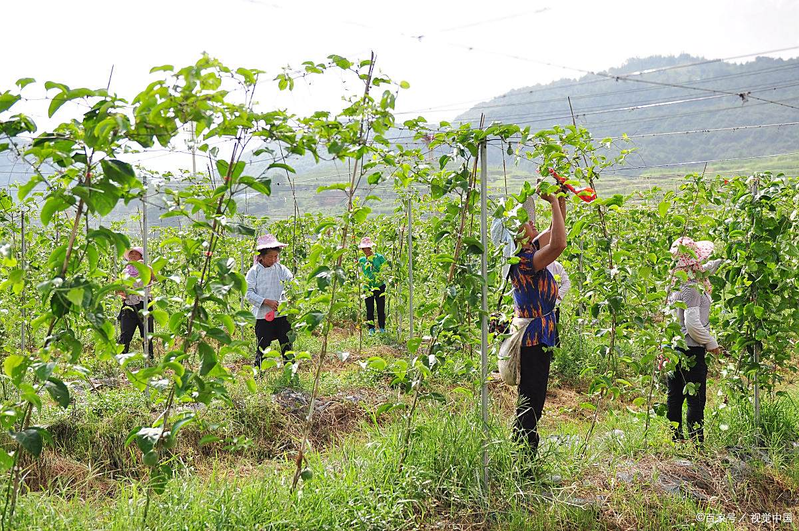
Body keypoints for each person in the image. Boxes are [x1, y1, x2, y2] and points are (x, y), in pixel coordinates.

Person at [509, 191, 567, 456]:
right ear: (517, 232)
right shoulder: (524, 262)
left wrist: (560, 198)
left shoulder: (530, 250)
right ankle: (523, 458)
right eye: (527, 222)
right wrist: (553, 203)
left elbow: (557, 230)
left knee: (533, 399)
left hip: (539, 337)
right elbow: (558, 245)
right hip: (533, 340)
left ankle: (523, 453)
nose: (533, 223)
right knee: (531, 401)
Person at [666, 237, 723, 444]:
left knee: (675, 396)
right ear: (693, 263)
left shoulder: (680, 281)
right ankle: (696, 444)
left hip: (675, 348)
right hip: (691, 348)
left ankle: (676, 439)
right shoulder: (692, 288)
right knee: (695, 399)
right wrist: (711, 343)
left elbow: (707, 269)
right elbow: (692, 323)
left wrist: (724, 261)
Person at [246, 234, 295, 368]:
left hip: (282, 314)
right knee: (263, 345)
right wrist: (266, 301)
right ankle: (258, 372)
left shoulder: (281, 269)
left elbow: (292, 284)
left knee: (287, 344)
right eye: (270, 257)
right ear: (260, 256)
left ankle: (290, 371)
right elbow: (248, 293)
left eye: (275, 256)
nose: (273, 260)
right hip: (263, 316)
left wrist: (288, 300)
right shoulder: (254, 272)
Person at [118, 246, 155, 360]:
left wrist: (145, 267)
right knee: (126, 333)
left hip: (144, 303)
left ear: (141, 257)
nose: (133, 256)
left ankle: (149, 358)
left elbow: (154, 279)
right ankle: (121, 358)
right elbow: (119, 289)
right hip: (129, 304)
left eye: (136, 254)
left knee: (146, 333)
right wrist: (122, 292)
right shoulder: (125, 272)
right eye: (131, 254)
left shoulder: (146, 269)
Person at [357, 237, 387, 335]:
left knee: (380, 308)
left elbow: (385, 269)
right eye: (364, 249)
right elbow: (360, 272)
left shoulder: (379, 257)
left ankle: (382, 327)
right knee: (369, 309)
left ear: (371, 248)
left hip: (379, 286)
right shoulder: (361, 260)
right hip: (367, 287)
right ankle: (371, 329)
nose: (366, 251)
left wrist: (380, 276)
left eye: (367, 249)